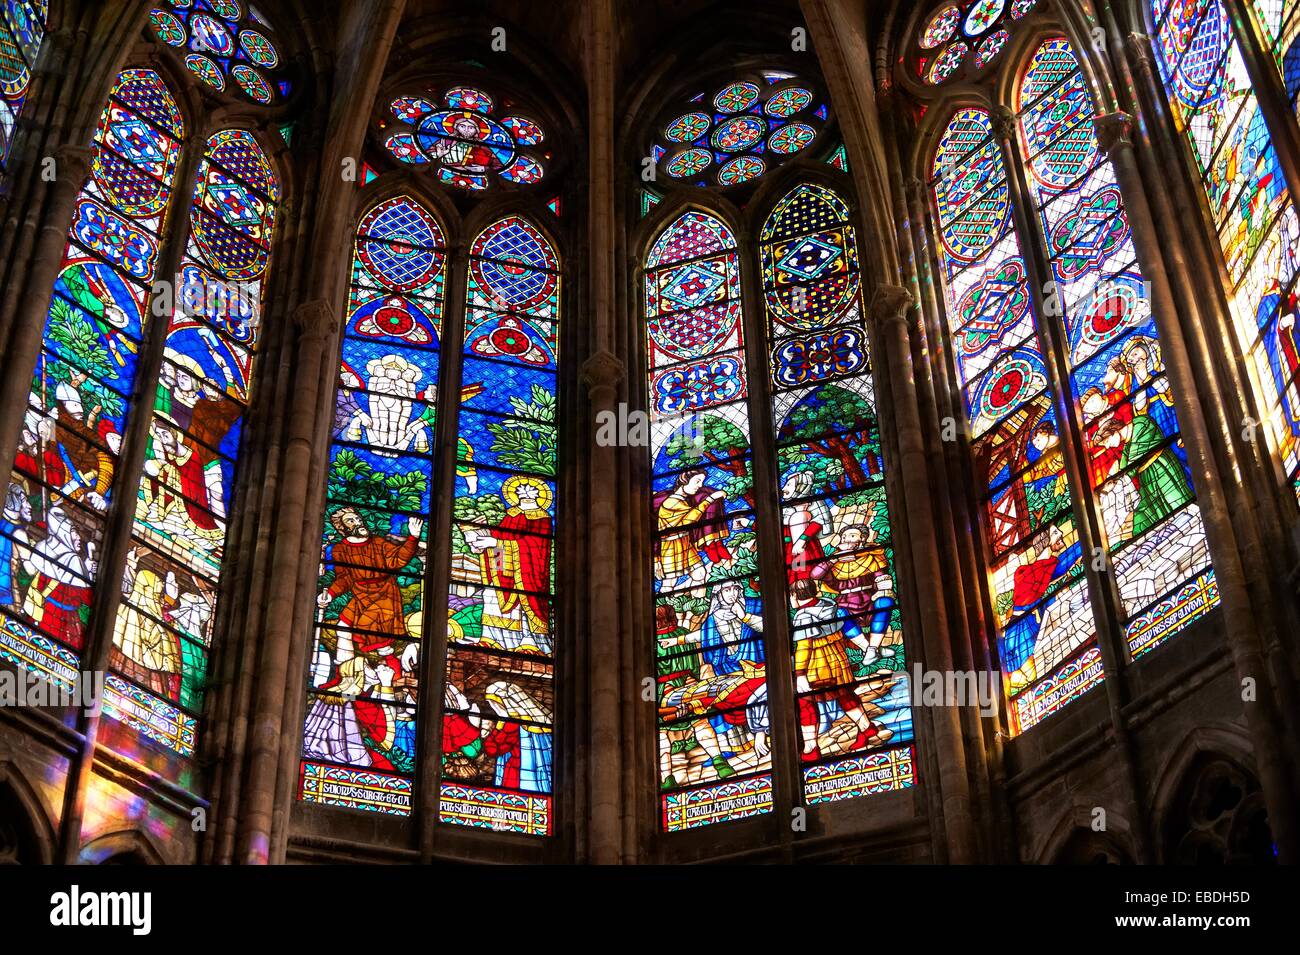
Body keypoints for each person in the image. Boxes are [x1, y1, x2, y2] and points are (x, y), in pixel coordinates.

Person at [790, 578, 892, 762]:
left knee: (806, 703)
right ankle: (867, 728)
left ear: (796, 596)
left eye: (791, 595)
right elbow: (843, 632)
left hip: (818, 663)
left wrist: (800, 674)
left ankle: (811, 748)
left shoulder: (804, 616)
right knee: (844, 695)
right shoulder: (828, 605)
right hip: (838, 657)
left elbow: (805, 646)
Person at [469, 476, 552, 653]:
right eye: (521, 487)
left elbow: (536, 545)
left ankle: (529, 642)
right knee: (490, 595)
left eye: (529, 488)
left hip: (528, 573)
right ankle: (490, 638)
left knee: (524, 603)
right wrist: (481, 542)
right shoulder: (510, 515)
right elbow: (500, 539)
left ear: (539, 493)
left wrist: (495, 543)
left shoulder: (542, 518)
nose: (524, 490)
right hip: (503, 569)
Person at [654, 470, 730, 588]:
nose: (700, 486)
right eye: (697, 481)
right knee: (669, 583)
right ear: (684, 481)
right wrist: (710, 498)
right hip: (670, 547)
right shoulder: (671, 502)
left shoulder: (683, 500)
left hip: (685, 543)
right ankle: (666, 606)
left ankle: (700, 603)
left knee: (700, 574)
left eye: (702, 482)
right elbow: (690, 519)